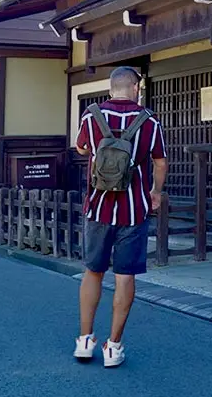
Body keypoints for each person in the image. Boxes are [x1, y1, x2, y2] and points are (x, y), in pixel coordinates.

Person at [72, 66, 167, 367]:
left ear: (111, 87)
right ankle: (113, 347)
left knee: (93, 271)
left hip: (98, 206)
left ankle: (85, 341)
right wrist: (155, 192)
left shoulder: (91, 115)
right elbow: (161, 161)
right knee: (125, 275)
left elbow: (81, 147)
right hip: (134, 208)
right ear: (136, 87)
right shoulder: (149, 121)